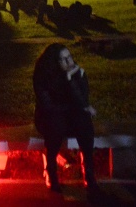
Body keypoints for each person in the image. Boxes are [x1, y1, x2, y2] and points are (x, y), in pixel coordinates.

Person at [34, 43, 101, 199]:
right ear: (54, 62)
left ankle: (89, 173)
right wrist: (75, 107)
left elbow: (83, 100)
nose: (69, 62)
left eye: (69, 57)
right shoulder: (43, 74)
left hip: (69, 114)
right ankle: (51, 171)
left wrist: (71, 80)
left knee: (84, 122)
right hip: (48, 116)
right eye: (63, 59)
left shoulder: (75, 71)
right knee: (56, 124)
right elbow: (47, 106)